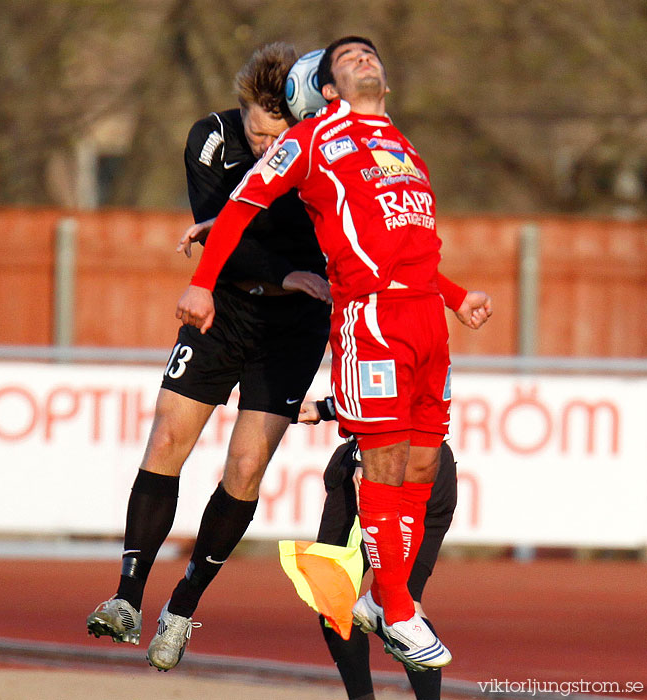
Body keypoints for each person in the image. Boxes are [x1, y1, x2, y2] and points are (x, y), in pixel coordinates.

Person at [176, 35, 478, 670]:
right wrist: (203, 284)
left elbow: (405, 239)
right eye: (348, 58)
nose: (365, 58)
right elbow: (240, 207)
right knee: (386, 462)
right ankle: (397, 608)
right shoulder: (311, 138)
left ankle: (381, 601)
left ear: (386, 83)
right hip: (373, 320)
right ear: (330, 88)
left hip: (427, 317)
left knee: (425, 464)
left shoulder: (400, 142)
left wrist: (453, 295)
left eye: (371, 54)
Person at [86, 43, 333, 670]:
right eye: (256, 130)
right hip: (223, 310)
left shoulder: (318, 155)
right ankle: (126, 597)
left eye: (277, 137)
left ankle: (183, 607)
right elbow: (221, 240)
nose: (263, 148)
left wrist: (275, 267)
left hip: (294, 329)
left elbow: (313, 250)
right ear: (243, 108)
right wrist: (281, 271)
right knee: (167, 436)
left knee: (245, 468)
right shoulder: (210, 140)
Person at [301, 401, 457, 700]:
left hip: (384, 462)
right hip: (436, 464)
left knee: (333, 593)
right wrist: (328, 408)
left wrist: (361, 455)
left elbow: (378, 385)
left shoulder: (373, 352)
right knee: (406, 601)